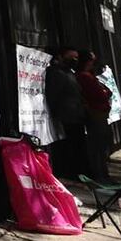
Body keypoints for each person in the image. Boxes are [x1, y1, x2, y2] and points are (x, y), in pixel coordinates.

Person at [44, 47, 87, 179]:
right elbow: (54, 95)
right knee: (69, 147)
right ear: (60, 57)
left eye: (76, 57)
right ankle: (70, 173)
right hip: (66, 117)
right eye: (71, 57)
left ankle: (77, 173)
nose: (74, 60)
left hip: (76, 116)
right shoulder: (56, 73)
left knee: (77, 146)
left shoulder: (69, 73)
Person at [75, 50, 114, 183]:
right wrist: (104, 93)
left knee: (100, 145)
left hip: (97, 112)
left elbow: (105, 92)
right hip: (95, 112)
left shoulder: (88, 76)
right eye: (92, 60)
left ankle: (102, 173)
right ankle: (100, 174)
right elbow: (101, 94)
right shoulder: (85, 76)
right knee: (98, 145)